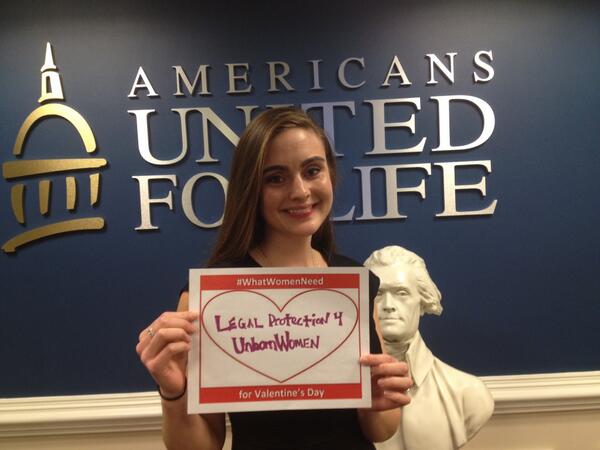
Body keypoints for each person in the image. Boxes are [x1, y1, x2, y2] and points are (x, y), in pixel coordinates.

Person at [136, 108, 412, 450]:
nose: (300, 191)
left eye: (312, 170)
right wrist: (173, 391)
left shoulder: (356, 283)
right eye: (276, 178)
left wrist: (379, 401)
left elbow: (380, 430)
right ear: (252, 188)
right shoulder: (210, 296)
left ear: (330, 173)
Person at [364, 246, 494, 450]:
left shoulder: (468, 394)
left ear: (423, 300)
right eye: (378, 293)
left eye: (401, 293)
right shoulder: (341, 393)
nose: (388, 305)